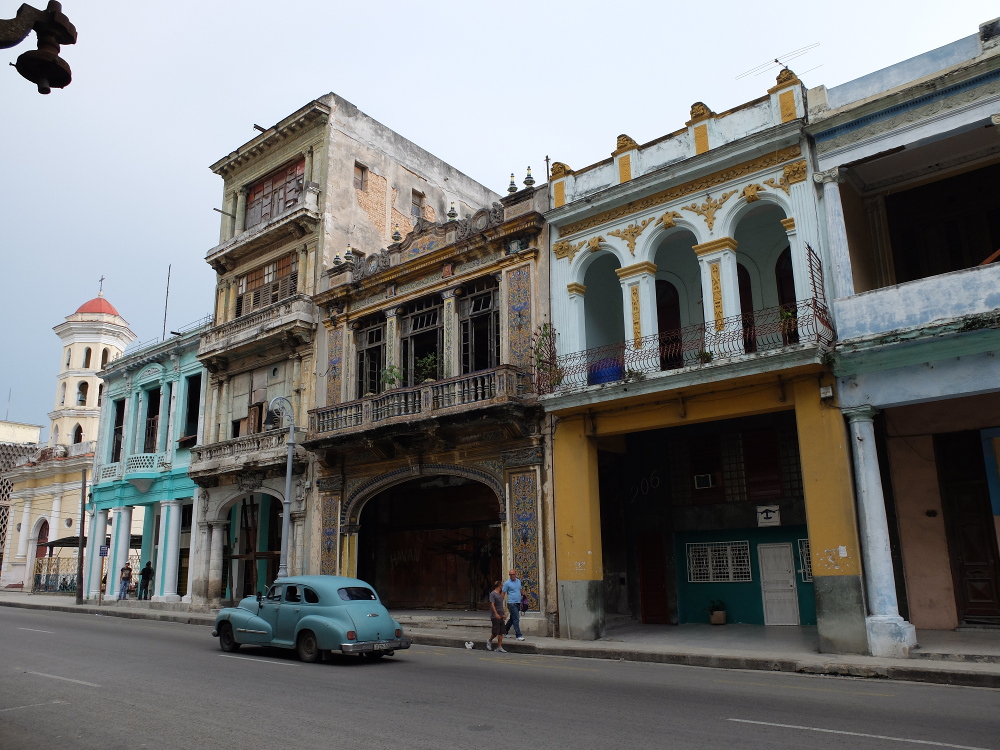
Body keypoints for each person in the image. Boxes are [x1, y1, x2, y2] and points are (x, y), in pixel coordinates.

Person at [502, 568, 525, 641]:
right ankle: (518, 635)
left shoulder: (518, 581)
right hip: (511, 603)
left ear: (515, 574)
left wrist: (524, 596)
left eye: (513, 574)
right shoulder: (507, 583)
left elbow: (520, 590)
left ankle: (504, 631)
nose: (512, 576)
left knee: (512, 618)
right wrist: (501, 603)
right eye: (510, 574)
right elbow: (503, 593)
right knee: (516, 618)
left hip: (518, 602)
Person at [486, 580, 506, 653]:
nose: (503, 586)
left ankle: (499, 646)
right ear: (499, 586)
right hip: (495, 616)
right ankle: (489, 640)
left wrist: (504, 613)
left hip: (500, 615)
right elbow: (492, 604)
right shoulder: (493, 594)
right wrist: (496, 614)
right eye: (502, 585)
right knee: (495, 632)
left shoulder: (500, 594)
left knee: (501, 632)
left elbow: (501, 605)